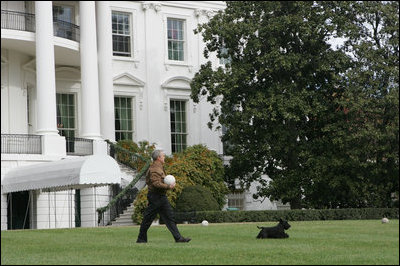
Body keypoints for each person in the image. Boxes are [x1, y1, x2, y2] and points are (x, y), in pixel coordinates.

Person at [136, 149, 191, 243]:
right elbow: (155, 184)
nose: (164, 157)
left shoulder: (159, 167)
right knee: (148, 219)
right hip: (155, 197)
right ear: (158, 158)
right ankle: (141, 239)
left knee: (170, 217)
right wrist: (168, 186)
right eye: (163, 156)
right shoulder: (154, 169)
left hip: (161, 197)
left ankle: (178, 238)